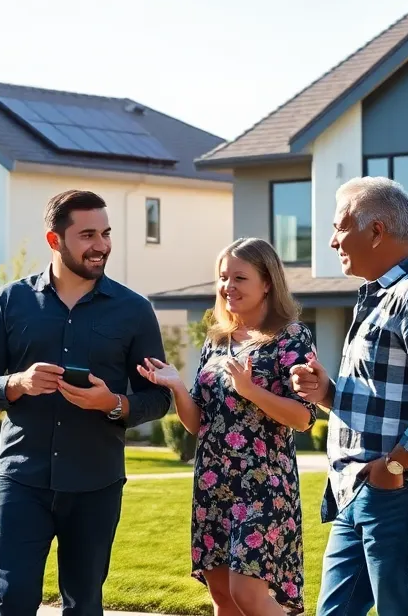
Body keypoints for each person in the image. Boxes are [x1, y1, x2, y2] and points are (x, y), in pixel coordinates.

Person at [0, 189, 173, 616]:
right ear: (54, 240)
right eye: (88, 235)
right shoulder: (10, 302)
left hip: (96, 483)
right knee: (14, 601)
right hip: (23, 480)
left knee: (84, 605)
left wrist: (112, 403)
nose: (101, 246)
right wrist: (16, 383)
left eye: (106, 234)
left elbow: (159, 397)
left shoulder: (134, 311)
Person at [289, 177, 408, 616]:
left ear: (375, 231)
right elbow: (386, 398)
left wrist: (395, 463)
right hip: (362, 489)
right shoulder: (380, 297)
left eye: (339, 227)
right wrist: (329, 394)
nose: (332, 240)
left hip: (401, 491)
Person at [139, 238, 317, 616]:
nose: (228, 286)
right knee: (222, 596)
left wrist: (250, 390)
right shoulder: (217, 340)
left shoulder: (291, 337)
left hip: (264, 485)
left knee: (249, 595)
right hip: (213, 484)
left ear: (267, 282)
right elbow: (198, 423)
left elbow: (303, 418)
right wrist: (175, 386)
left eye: (240, 277)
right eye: (223, 277)